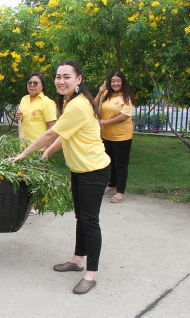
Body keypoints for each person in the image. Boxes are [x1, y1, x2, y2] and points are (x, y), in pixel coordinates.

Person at [11, 60, 110, 294]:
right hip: (80, 169)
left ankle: (91, 274)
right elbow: (65, 134)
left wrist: (24, 153)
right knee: (81, 217)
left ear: (79, 79)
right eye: (58, 76)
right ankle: (77, 260)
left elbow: (52, 132)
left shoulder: (78, 105)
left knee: (90, 221)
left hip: (93, 171)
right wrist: (48, 151)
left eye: (67, 76)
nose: (61, 81)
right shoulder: (72, 102)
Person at [15, 72, 57, 215]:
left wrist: (47, 148)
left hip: (39, 147)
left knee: (38, 177)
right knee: (26, 176)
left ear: (42, 85)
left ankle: (38, 204)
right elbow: (22, 119)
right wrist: (18, 118)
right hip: (24, 146)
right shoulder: (24, 99)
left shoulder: (47, 102)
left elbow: (52, 126)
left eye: (35, 83)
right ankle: (28, 204)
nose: (31, 85)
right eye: (29, 83)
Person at [94, 71, 136, 204]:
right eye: (113, 81)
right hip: (107, 135)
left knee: (120, 164)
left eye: (118, 81)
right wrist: (100, 92)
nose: (115, 83)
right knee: (109, 161)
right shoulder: (106, 95)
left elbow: (124, 116)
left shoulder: (127, 97)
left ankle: (120, 191)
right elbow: (94, 106)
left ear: (123, 82)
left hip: (122, 136)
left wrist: (104, 122)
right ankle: (112, 185)